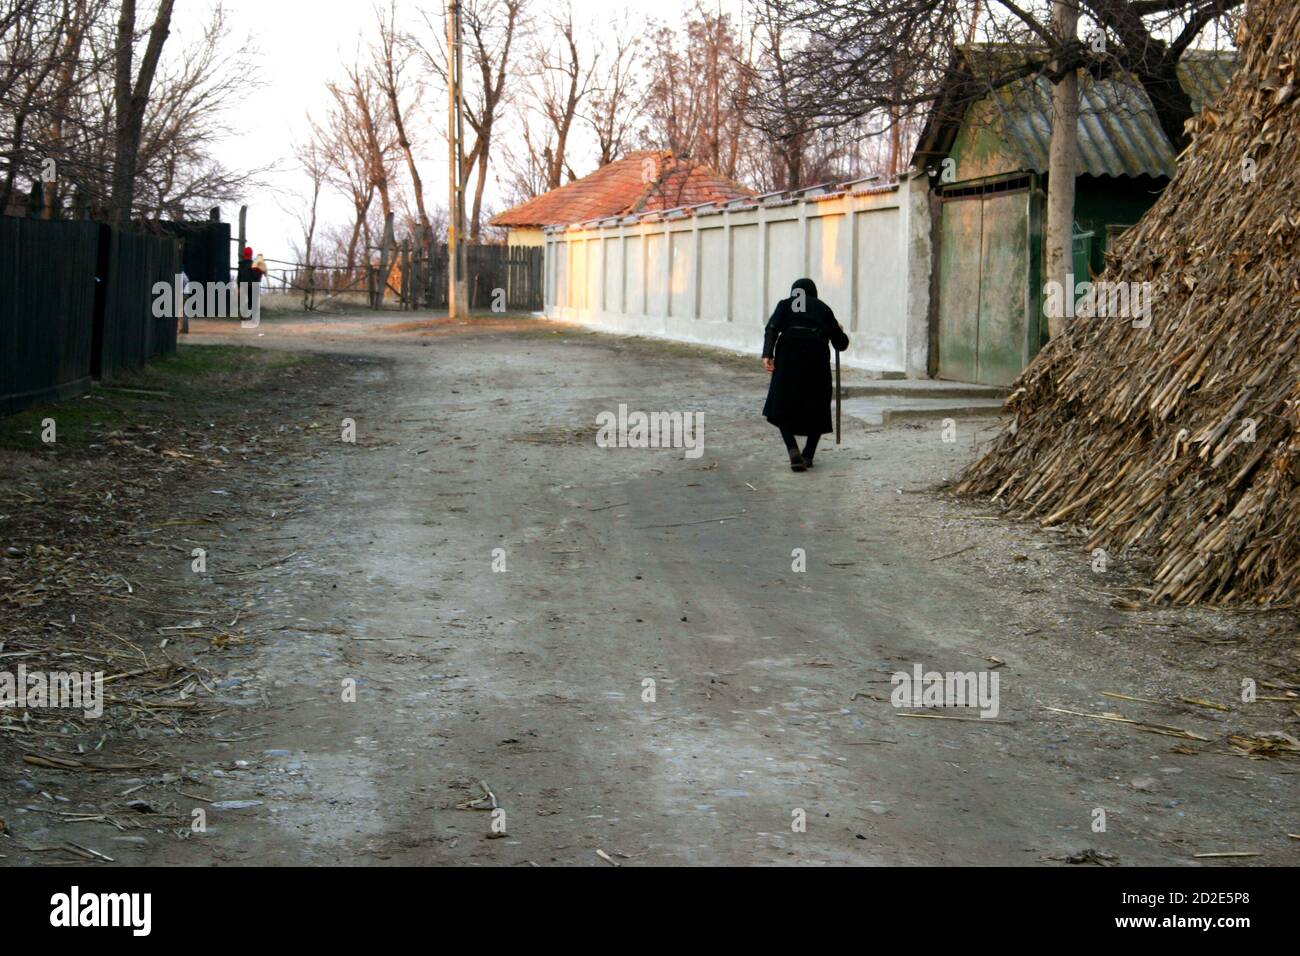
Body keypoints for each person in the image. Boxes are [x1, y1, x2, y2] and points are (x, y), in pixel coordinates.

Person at [761, 277, 849, 472]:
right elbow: (841, 344)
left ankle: (793, 450)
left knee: (781, 403)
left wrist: (768, 354)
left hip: (788, 355)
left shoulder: (785, 304)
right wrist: (839, 331)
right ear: (813, 293)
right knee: (818, 402)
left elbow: (772, 328)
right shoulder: (822, 308)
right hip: (816, 356)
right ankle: (808, 455)